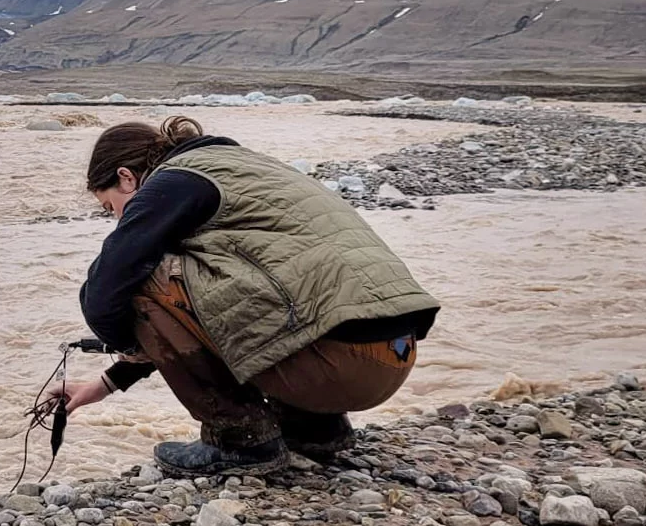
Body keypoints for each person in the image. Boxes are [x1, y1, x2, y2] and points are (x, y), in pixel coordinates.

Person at [49, 115, 440, 478]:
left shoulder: (173, 182)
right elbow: (207, 310)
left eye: (110, 207)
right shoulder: (245, 167)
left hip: (337, 365)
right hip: (388, 355)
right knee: (236, 283)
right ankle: (315, 429)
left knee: (141, 273)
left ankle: (240, 440)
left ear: (126, 178)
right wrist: (105, 383)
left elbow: (105, 294)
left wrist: (126, 343)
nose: (117, 219)